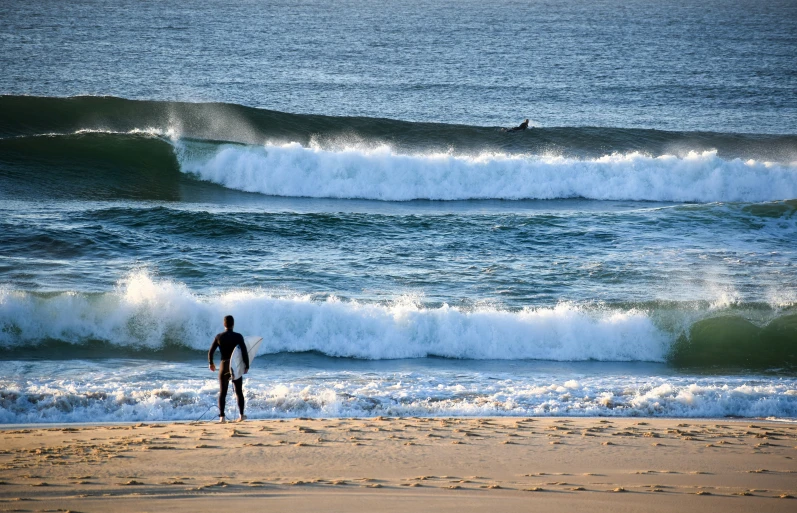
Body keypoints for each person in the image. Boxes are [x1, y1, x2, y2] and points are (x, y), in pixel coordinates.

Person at [208, 315, 249, 423]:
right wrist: (246, 365)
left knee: (223, 392)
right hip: (235, 365)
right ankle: (241, 415)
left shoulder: (219, 337)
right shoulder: (238, 336)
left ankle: (222, 417)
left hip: (224, 364)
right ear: (233, 324)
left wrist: (211, 363)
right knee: (239, 391)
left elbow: (210, 352)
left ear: (224, 324)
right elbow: (244, 351)